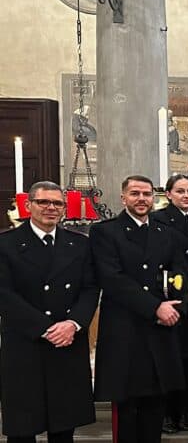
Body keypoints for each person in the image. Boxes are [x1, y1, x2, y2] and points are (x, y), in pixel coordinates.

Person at [0, 181, 98, 443]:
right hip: (25, 343)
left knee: (64, 425)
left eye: (57, 203)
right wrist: (44, 328)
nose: (50, 208)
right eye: (43, 202)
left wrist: (74, 323)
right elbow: (4, 294)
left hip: (66, 341)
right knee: (23, 427)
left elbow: (90, 289)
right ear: (29, 205)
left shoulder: (79, 244)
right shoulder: (6, 243)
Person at [92, 175, 187, 443]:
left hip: (160, 330)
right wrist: (155, 307)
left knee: (155, 403)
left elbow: (181, 273)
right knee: (126, 406)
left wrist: (175, 308)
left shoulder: (166, 233)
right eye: (135, 194)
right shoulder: (105, 232)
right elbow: (112, 279)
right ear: (123, 198)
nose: (142, 199)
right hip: (125, 330)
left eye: (146, 194)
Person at [151, 175, 188, 433]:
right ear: (169, 194)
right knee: (168, 358)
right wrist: (187, 286)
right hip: (171, 300)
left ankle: (186, 410)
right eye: (180, 191)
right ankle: (166, 413)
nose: (186, 195)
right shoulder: (158, 220)